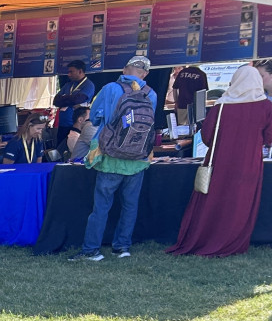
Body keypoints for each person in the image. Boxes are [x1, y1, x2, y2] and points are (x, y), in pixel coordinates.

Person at [169, 65, 272, 257]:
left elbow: (207, 136)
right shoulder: (266, 107)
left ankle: (207, 238)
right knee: (239, 202)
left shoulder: (221, 106)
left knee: (213, 200)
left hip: (219, 162)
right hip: (248, 163)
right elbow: (269, 138)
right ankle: (233, 241)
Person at [69, 57, 159, 262]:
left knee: (101, 205)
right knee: (130, 205)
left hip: (111, 156)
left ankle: (92, 250)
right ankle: (122, 247)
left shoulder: (110, 88)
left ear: (125, 68)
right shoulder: (151, 94)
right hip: (138, 158)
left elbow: (97, 117)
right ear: (145, 74)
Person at [54, 60, 95, 136]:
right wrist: (71, 100)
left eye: (71, 72)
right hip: (62, 124)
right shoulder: (68, 85)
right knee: (60, 147)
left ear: (80, 71)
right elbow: (56, 101)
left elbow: (78, 99)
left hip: (76, 125)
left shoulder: (88, 85)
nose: (69, 74)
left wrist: (64, 98)